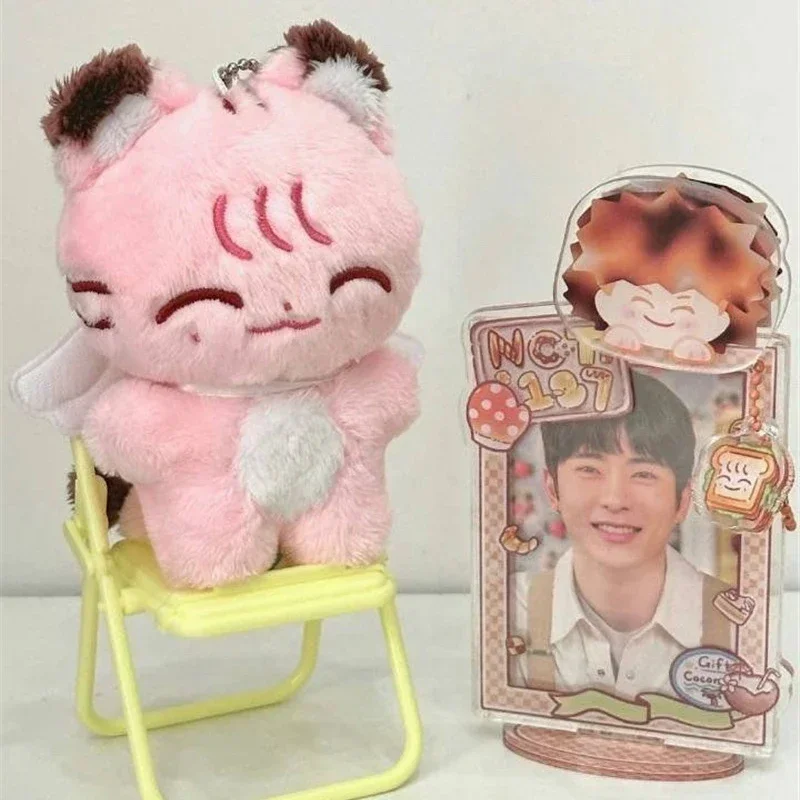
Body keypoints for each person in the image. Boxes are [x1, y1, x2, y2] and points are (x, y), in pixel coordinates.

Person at [510, 372, 733, 700]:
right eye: (589, 469)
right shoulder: (510, 608)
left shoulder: (735, 623)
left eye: (643, 474)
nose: (615, 500)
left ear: (683, 501)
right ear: (552, 489)